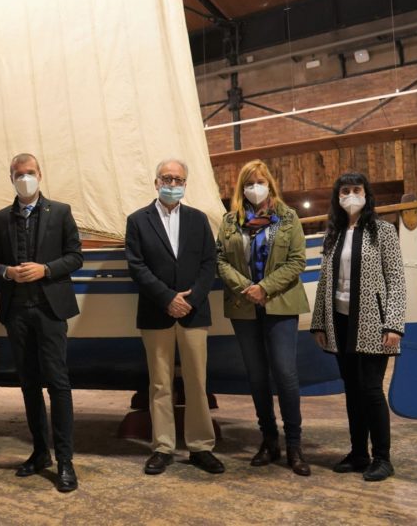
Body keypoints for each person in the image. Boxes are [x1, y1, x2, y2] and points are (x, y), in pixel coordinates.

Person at [0, 153, 83, 493]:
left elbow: (76, 256)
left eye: (29, 173)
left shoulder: (61, 211)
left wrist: (46, 269)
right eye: (18, 174)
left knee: (58, 383)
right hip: (17, 313)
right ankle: (40, 452)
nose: (24, 178)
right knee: (28, 384)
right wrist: (7, 272)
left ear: (40, 174)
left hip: (50, 310)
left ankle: (66, 460)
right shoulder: (0, 219)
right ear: (11, 177)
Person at [125, 159, 224, 476]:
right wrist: (167, 298)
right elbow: (136, 266)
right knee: (160, 384)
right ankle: (163, 447)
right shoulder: (138, 221)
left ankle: (200, 446)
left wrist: (190, 299)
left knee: (197, 382)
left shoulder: (199, 220)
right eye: (166, 178)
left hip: (194, 313)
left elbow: (210, 263)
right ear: (155, 182)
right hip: (156, 312)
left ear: (185, 183)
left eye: (178, 179)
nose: (172, 183)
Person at [215, 159, 311, 476]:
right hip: (244, 306)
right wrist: (247, 287)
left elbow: (297, 261)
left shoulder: (287, 218)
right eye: (249, 183)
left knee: (285, 375)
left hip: (280, 303)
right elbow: (220, 260)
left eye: (260, 181)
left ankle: (294, 445)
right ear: (241, 188)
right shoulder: (230, 221)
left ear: (269, 183)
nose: (255, 188)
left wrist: (264, 288)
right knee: (256, 376)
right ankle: (269, 441)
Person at [310, 173, 405, 482]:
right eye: (345, 190)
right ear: (338, 196)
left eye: (356, 190)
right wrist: (319, 323)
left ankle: (382, 457)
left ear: (367, 194)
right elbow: (325, 282)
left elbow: (396, 281)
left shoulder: (384, 231)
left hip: (373, 323)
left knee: (371, 390)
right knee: (352, 391)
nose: (351, 195)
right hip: (339, 321)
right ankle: (358, 453)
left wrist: (393, 324)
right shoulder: (333, 233)